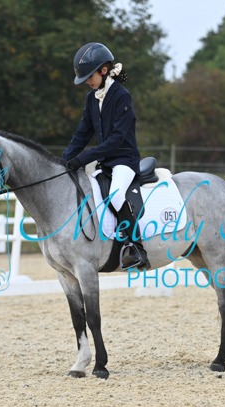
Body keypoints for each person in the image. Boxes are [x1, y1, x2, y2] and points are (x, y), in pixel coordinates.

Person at [61, 42, 149, 270]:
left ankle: (136, 247)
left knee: (116, 196)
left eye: (89, 76)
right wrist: (64, 160)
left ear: (103, 70)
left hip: (124, 160)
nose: (87, 82)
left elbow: (117, 139)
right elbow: (82, 133)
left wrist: (83, 158)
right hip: (105, 162)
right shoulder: (92, 98)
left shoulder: (122, 96)